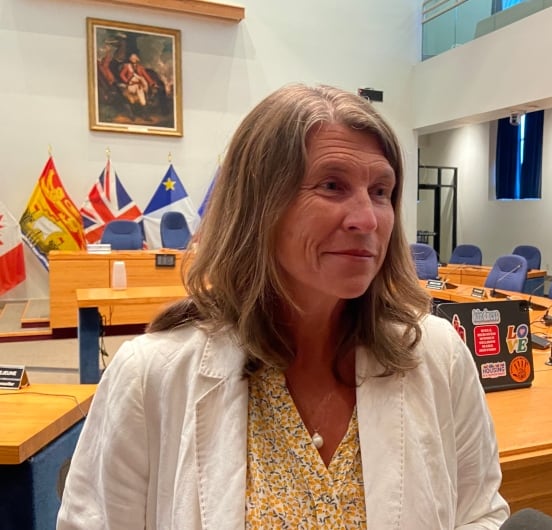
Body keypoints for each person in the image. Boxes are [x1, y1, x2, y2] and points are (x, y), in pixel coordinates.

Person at [57, 84, 509, 529]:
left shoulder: (438, 354)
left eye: (380, 191)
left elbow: (479, 513)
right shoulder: (150, 375)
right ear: (258, 205)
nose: (368, 219)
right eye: (332, 185)